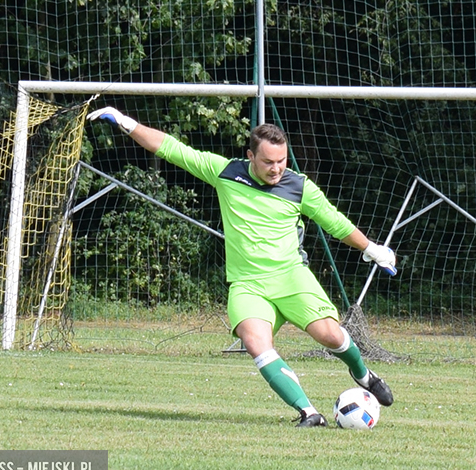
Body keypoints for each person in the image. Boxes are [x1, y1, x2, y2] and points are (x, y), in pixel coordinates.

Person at [88, 107, 397, 427]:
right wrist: (126, 121)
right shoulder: (225, 173)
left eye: (282, 161)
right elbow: (172, 149)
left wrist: (373, 249)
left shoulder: (299, 187)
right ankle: (309, 413)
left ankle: (362, 374)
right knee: (255, 343)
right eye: (268, 162)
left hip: (291, 276)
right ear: (251, 155)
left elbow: (335, 222)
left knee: (331, 336)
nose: (276, 168)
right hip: (248, 284)